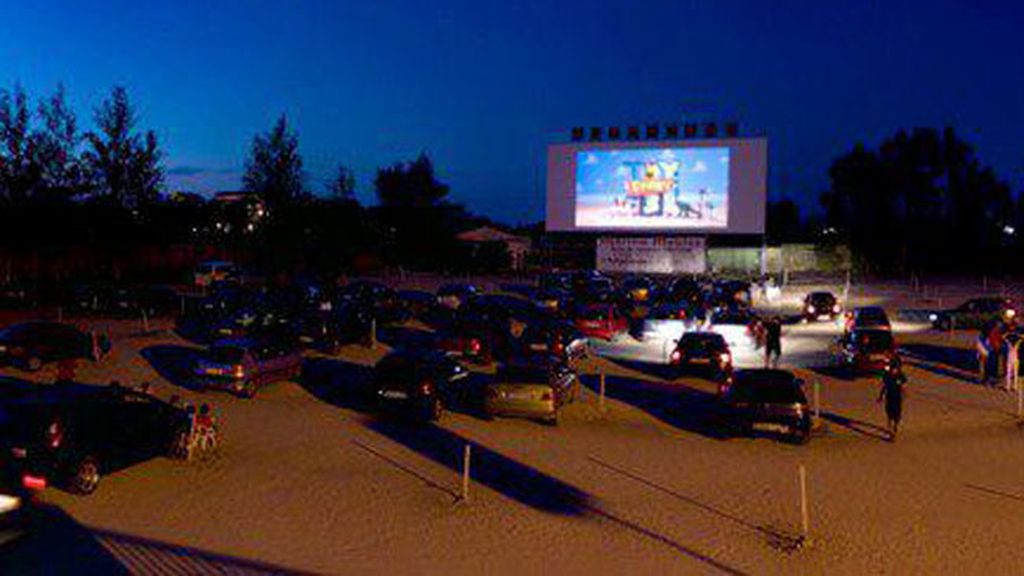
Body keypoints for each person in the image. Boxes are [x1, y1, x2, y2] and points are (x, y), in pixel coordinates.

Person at [878, 357, 907, 440]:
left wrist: (904, 393)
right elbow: (884, 387)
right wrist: (881, 396)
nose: (894, 370)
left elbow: (904, 385)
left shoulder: (900, 375)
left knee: (897, 414)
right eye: (893, 369)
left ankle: (894, 428)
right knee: (889, 414)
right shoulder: (887, 375)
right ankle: (891, 430)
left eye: (896, 369)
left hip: (897, 398)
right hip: (890, 397)